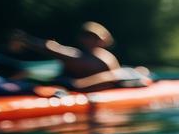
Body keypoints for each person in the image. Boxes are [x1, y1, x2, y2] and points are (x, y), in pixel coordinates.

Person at [12, 22, 151, 91]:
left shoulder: (105, 57)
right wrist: (26, 40)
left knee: (140, 71)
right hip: (66, 84)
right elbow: (52, 48)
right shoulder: (75, 54)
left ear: (103, 39)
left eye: (94, 37)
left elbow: (115, 77)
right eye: (87, 36)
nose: (91, 40)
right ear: (81, 38)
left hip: (80, 86)